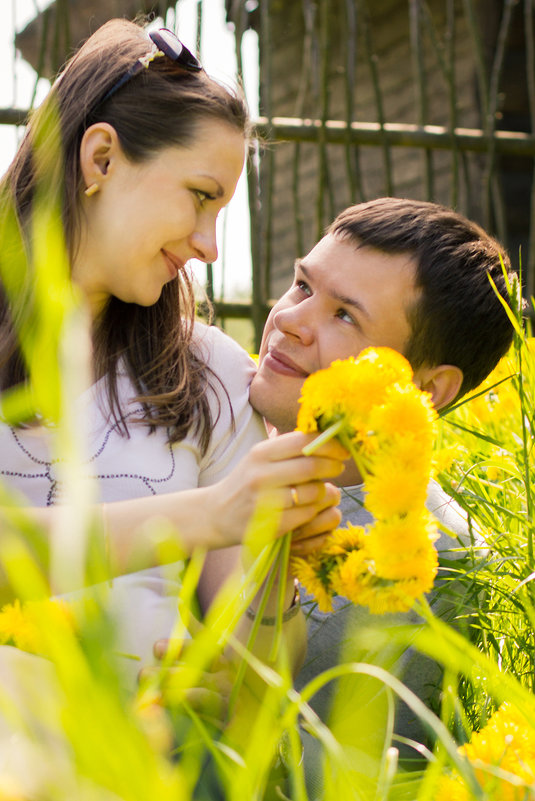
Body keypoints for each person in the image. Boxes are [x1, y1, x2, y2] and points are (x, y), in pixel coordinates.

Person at [0, 17, 347, 698]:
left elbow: (259, 660)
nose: (210, 246)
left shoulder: (210, 373)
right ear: (100, 159)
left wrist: (233, 679)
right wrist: (209, 512)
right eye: (200, 197)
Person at [244, 196, 518, 794]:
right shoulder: (196, 413)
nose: (290, 318)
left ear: (426, 386)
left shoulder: (433, 565)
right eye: (300, 285)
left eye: (345, 316)